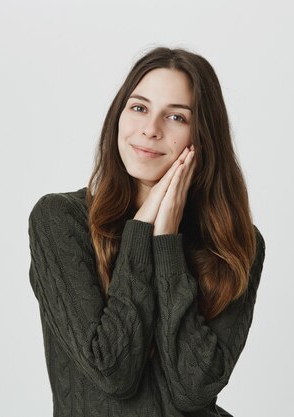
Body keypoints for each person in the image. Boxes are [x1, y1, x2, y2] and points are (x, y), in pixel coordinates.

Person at [27, 46, 266, 417]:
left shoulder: (234, 244)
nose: (150, 130)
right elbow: (111, 371)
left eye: (176, 117)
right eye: (139, 108)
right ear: (119, 116)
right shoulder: (60, 219)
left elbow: (194, 391)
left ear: (202, 136)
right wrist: (141, 229)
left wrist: (167, 244)